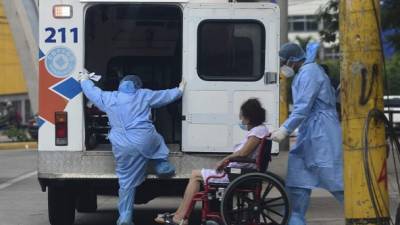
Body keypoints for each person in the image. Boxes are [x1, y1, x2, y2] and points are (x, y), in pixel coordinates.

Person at [77, 72, 186, 225]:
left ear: (121, 86)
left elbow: (92, 92)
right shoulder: (144, 95)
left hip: (122, 144)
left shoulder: (110, 97)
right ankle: (161, 164)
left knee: (126, 182)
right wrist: (180, 90)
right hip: (145, 137)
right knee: (157, 139)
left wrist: (84, 80)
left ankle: (125, 218)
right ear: (137, 86)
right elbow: (165, 96)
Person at [154, 98, 269, 225]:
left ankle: (180, 217)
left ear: (249, 117)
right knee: (196, 174)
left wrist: (224, 160)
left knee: (195, 176)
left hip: (236, 174)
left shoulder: (257, 132)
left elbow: (243, 153)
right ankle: (179, 215)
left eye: (242, 117)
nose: (241, 120)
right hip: (237, 172)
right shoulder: (259, 130)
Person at [271, 42, 343, 225]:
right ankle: (295, 219)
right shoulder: (304, 73)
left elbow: (303, 107)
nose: (283, 67)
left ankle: (362, 213)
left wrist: (284, 130)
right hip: (310, 131)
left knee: (333, 178)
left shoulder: (310, 73)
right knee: (297, 181)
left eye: (284, 62)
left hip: (323, 132)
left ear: (293, 60)